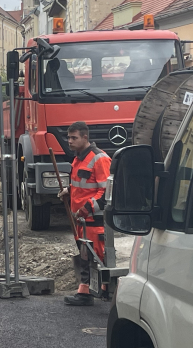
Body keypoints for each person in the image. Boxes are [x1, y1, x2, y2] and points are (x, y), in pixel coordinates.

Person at [57, 121, 111, 306]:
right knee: (85, 255)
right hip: (82, 219)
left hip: (92, 218)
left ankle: (105, 289)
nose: (70, 141)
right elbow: (81, 185)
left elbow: (105, 191)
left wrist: (87, 208)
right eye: (69, 137)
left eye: (74, 138)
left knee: (98, 255)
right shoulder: (79, 158)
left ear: (85, 138)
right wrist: (69, 191)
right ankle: (89, 290)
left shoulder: (99, 159)